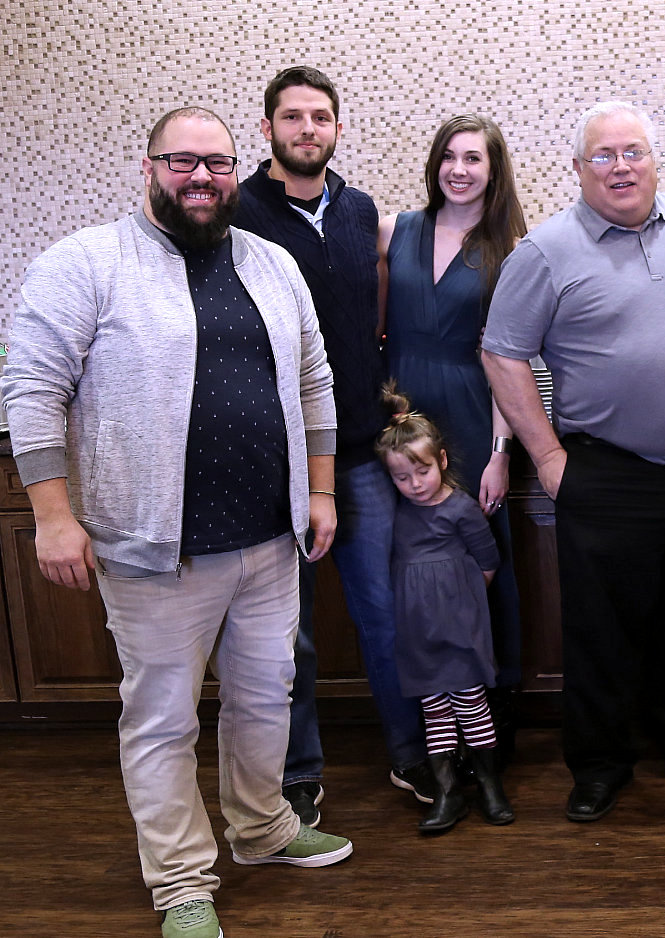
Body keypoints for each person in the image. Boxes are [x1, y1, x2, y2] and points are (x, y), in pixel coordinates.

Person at [2, 106, 353, 938]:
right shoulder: (86, 262)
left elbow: (315, 380)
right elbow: (33, 389)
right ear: (150, 166)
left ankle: (262, 829)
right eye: (182, 161)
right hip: (155, 550)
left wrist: (321, 491)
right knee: (163, 719)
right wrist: (52, 516)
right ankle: (181, 883)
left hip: (270, 540)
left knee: (265, 700)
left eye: (217, 163)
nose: (202, 177)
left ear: (236, 171)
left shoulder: (270, 262)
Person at [481, 101, 665, 822]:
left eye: (634, 152)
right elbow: (501, 353)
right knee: (602, 632)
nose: (621, 167)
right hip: (607, 472)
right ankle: (599, 765)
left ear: (655, 159)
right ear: (578, 168)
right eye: (604, 155)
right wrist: (546, 454)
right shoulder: (544, 252)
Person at [233, 65, 432, 825]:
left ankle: (410, 752)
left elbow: (371, 311)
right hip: (278, 461)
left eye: (320, 117)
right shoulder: (238, 212)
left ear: (338, 128)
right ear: (268, 130)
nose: (307, 129)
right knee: (289, 633)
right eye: (292, 117)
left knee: (385, 611)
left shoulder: (358, 209)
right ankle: (298, 773)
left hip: (360, 450)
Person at [377, 114, 529, 755]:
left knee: (475, 561)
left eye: (473, 159)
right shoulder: (394, 230)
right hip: (400, 413)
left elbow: (507, 357)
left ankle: (490, 722)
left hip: (472, 416)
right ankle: (428, 724)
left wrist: (500, 453)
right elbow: (373, 330)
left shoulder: (510, 248)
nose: (458, 170)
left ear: (494, 172)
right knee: (408, 565)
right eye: (449, 156)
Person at [375, 384, 512, 834]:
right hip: (418, 632)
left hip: (460, 626)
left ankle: (490, 785)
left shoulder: (461, 508)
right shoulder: (397, 515)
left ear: (443, 461)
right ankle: (448, 792)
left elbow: (488, 561)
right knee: (434, 710)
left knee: (471, 705)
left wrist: (461, 600)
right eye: (402, 477)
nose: (414, 484)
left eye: (423, 471)